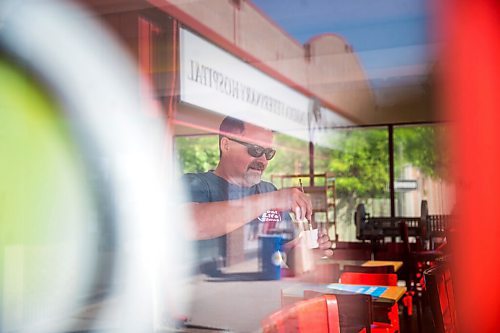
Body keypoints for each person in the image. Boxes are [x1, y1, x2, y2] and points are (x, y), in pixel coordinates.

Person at [182, 116, 334, 263]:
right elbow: (190, 224)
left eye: (268, 153)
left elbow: (285, 255)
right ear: (226, 145)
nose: (263, 160)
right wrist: (272, 200)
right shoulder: (196, 184)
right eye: (255, 150)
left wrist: (306, 252)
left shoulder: (269, 190)